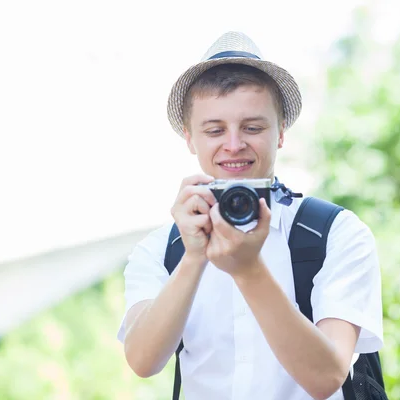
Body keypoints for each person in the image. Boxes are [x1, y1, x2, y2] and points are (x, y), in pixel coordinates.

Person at [116, 31, 384, 400]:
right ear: (190, 138)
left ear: (280, 134)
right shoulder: (162, 248)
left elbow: (328, 377)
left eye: (253, 127)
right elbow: (143, 361)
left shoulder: (334, 233)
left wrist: (248, 270)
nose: (233, 144)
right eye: (214, 130)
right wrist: (194, 257)